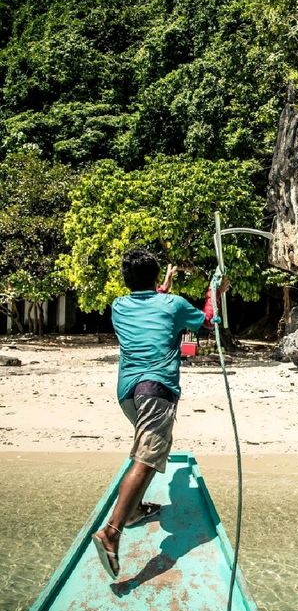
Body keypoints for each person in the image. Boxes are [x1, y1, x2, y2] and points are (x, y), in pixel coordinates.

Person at [91, 248, 229, 579]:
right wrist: (215, 292)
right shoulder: (174, 304)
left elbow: (153, 306)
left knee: (147, 450)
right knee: (148, 457)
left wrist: (162, 285)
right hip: (156, 390)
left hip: (127, 394)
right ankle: (111, 531)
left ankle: (136, 509)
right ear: (155, 277)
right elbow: (208, 323)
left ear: (126, 279)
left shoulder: (119, 306)